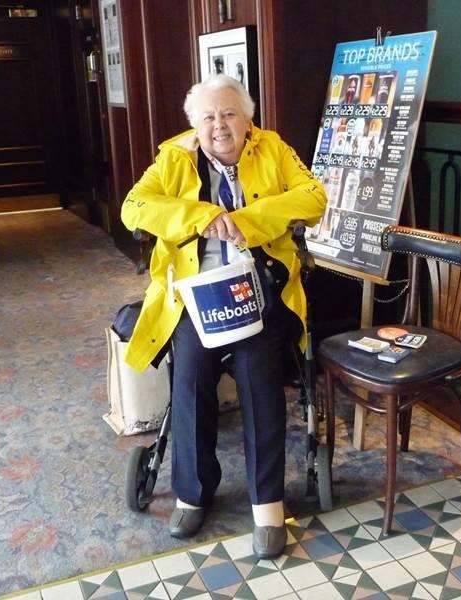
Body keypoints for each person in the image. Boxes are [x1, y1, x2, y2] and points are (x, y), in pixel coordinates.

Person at [121, 74, 327, 559]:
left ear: (247, 118)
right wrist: (199, 216)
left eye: (229, 114)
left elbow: (313, 198)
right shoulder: (174, 156)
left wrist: (246, 222)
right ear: (195, 124)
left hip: (262, 293)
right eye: (209, 117)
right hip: (197, 299)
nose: (220, 125)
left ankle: (267, 504)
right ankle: (193, 494)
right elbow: (134, 208)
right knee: (189, 379)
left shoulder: (273, 149)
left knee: (260, 378)